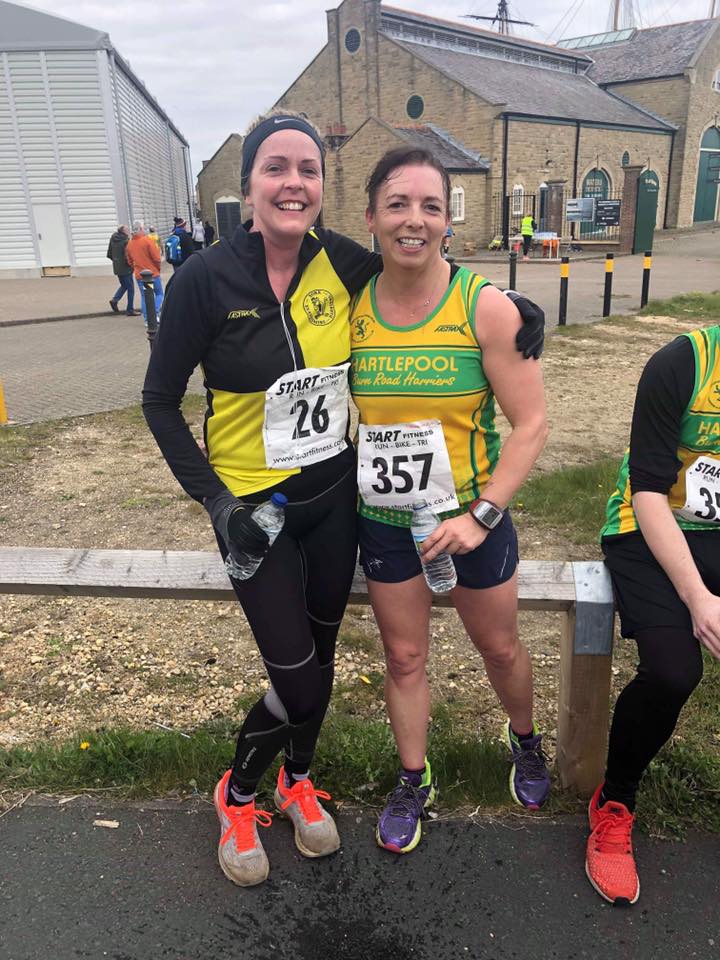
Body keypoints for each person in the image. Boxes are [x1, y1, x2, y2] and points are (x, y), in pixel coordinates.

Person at [142, 111, 546, 889]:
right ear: (248, 185)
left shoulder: (339, 261)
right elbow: (159, 402)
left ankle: (298, 780)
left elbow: (420, 264)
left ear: (325, 189)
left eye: (308, 170)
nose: (292, 183)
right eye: (275, 168)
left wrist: (508, 302)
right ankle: (238, 794)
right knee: (301, 678)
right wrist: (216, 504)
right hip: (256, 514)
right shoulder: (203, 279)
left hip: (335, 500)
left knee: (324, 661)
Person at [349, 147, 551, 855]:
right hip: (385, 519)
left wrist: (481, 516)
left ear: (447, 221)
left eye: (431, 206)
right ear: (371, 217)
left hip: (470, 519)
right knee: (404, 657)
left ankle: (525, 740)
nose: (415, 220)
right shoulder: (351, 305)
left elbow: (532, 424)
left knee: (499, 647)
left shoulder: (484, 307)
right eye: (398, 204)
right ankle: (414, 778)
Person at [587, 326, 720, 906]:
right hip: (648, 526)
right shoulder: (682, 363)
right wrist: (700, 599)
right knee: (672, 671)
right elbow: (647, 493)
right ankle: (615, 802)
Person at [126, 221, 163, 325]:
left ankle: (147, 319)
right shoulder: (147, 241)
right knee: (159, 294)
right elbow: (157, 258)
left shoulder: (129, 244)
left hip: (140, 275)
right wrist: (157, 268)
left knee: (144, 296)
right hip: (152, 274)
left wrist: (136, 268)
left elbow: (129, 261)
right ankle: (154, 313)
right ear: (141, 229)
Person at [106, 225, 140, 316]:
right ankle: (130, 309)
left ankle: (115, 300)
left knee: (124, 285)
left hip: (117, 268)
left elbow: (109, 254)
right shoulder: (126, 241)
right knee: (131, 289)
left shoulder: (113, 239)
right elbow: (128, 255)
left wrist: (117, 262)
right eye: (127, 229)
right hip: (126, 268)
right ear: (123, 231)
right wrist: (131, 264)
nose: (129, 231)